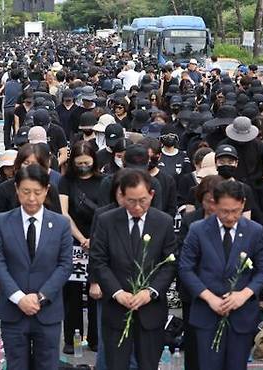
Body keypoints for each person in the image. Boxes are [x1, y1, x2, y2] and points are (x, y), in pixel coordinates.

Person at [89, 168, 177, 370]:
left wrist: (151, 292)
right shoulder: (107, 220)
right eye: (131, 201)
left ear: (152, 195)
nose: (137, 207)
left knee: (147, 364)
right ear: (121, 195)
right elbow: (98, 260)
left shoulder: (163, 222)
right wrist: (117, 292)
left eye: (143, 200)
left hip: (150, 310)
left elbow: (170, 263)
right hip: (116, 307)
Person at [0, 164, 73, 369]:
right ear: (17, 190)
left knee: (48, 365)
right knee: (16, 365)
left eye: (37, 192)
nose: (32, 198)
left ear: (46, 191)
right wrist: (19, 297)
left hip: (48, 311)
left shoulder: (61, 224)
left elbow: (65, 265)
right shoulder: (2, 222)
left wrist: (40, 297)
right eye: (26, 192)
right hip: (13, 310)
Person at [179, 180, 263, 370]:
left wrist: (244, 294)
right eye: (224, 211)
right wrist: (209, 298)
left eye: (235, 211)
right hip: (207, 312)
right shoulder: (198, 229)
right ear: (214, 204)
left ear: (243, 204)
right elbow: (186, 269)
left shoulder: (255, 231)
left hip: (241, 314)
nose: (230, 217)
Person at [58, 141, 103, 354]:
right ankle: (71, 338)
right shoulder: (66, 182)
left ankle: (95, 338)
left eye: (87, 162)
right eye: (79, 163)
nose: (83, 166)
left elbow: (106, 214)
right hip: (74, 242)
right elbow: (64, 213)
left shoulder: (103, 181)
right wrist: (82, 238)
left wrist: (93, 239)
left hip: (98, 242)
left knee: (96, 291)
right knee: (72, 293)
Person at [176, 174, 223, 370]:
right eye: (208, 202)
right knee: (195, 345)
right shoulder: (190, 221)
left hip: (223, 292)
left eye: (216, 202)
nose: (212, 207)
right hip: (194, 292)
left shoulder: (230, 220)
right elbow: (183, 257)